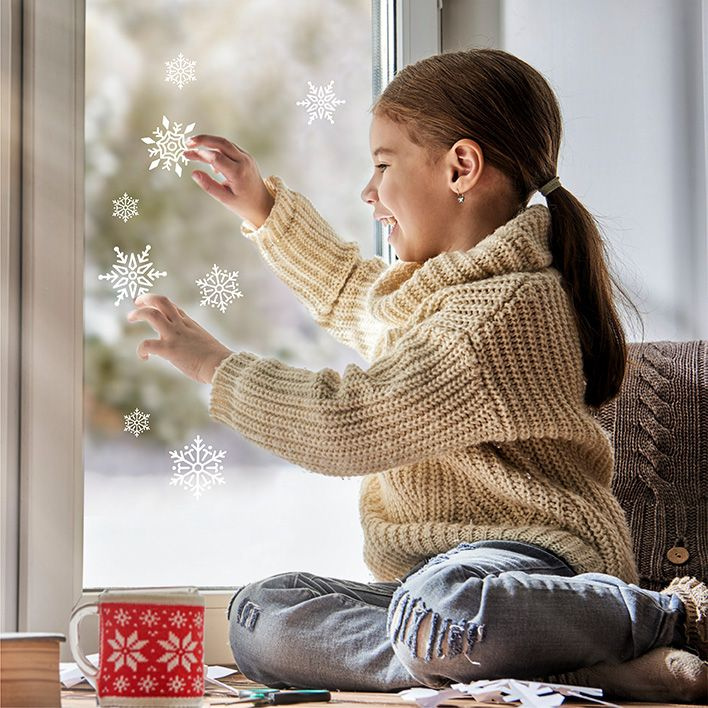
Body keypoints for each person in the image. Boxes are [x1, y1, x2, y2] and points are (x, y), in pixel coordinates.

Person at [125, 48, 707, 702]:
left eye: (381, 165)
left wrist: (216, 367)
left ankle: (669, 617)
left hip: (529, 567)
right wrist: (264, 209)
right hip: (426, 589)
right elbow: (353, 291)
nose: (368, 193)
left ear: (462, 167)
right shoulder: (435, 297)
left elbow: (351, 423)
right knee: (260, 616)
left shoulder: (501, 316)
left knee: (443, 611)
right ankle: (558, 668)